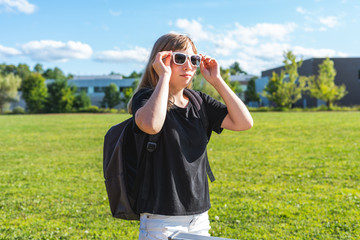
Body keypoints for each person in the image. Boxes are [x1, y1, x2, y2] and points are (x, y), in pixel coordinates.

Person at [127, 33, 253, 240]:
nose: (188, 66)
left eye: (193, 59)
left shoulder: (198, 101)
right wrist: (164, 77)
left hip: (199, 215)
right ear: (161, 60)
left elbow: (244, 122)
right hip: (161, 219)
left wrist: (217, 80)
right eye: (179, 58)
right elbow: (151, 125)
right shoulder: (146, 99)